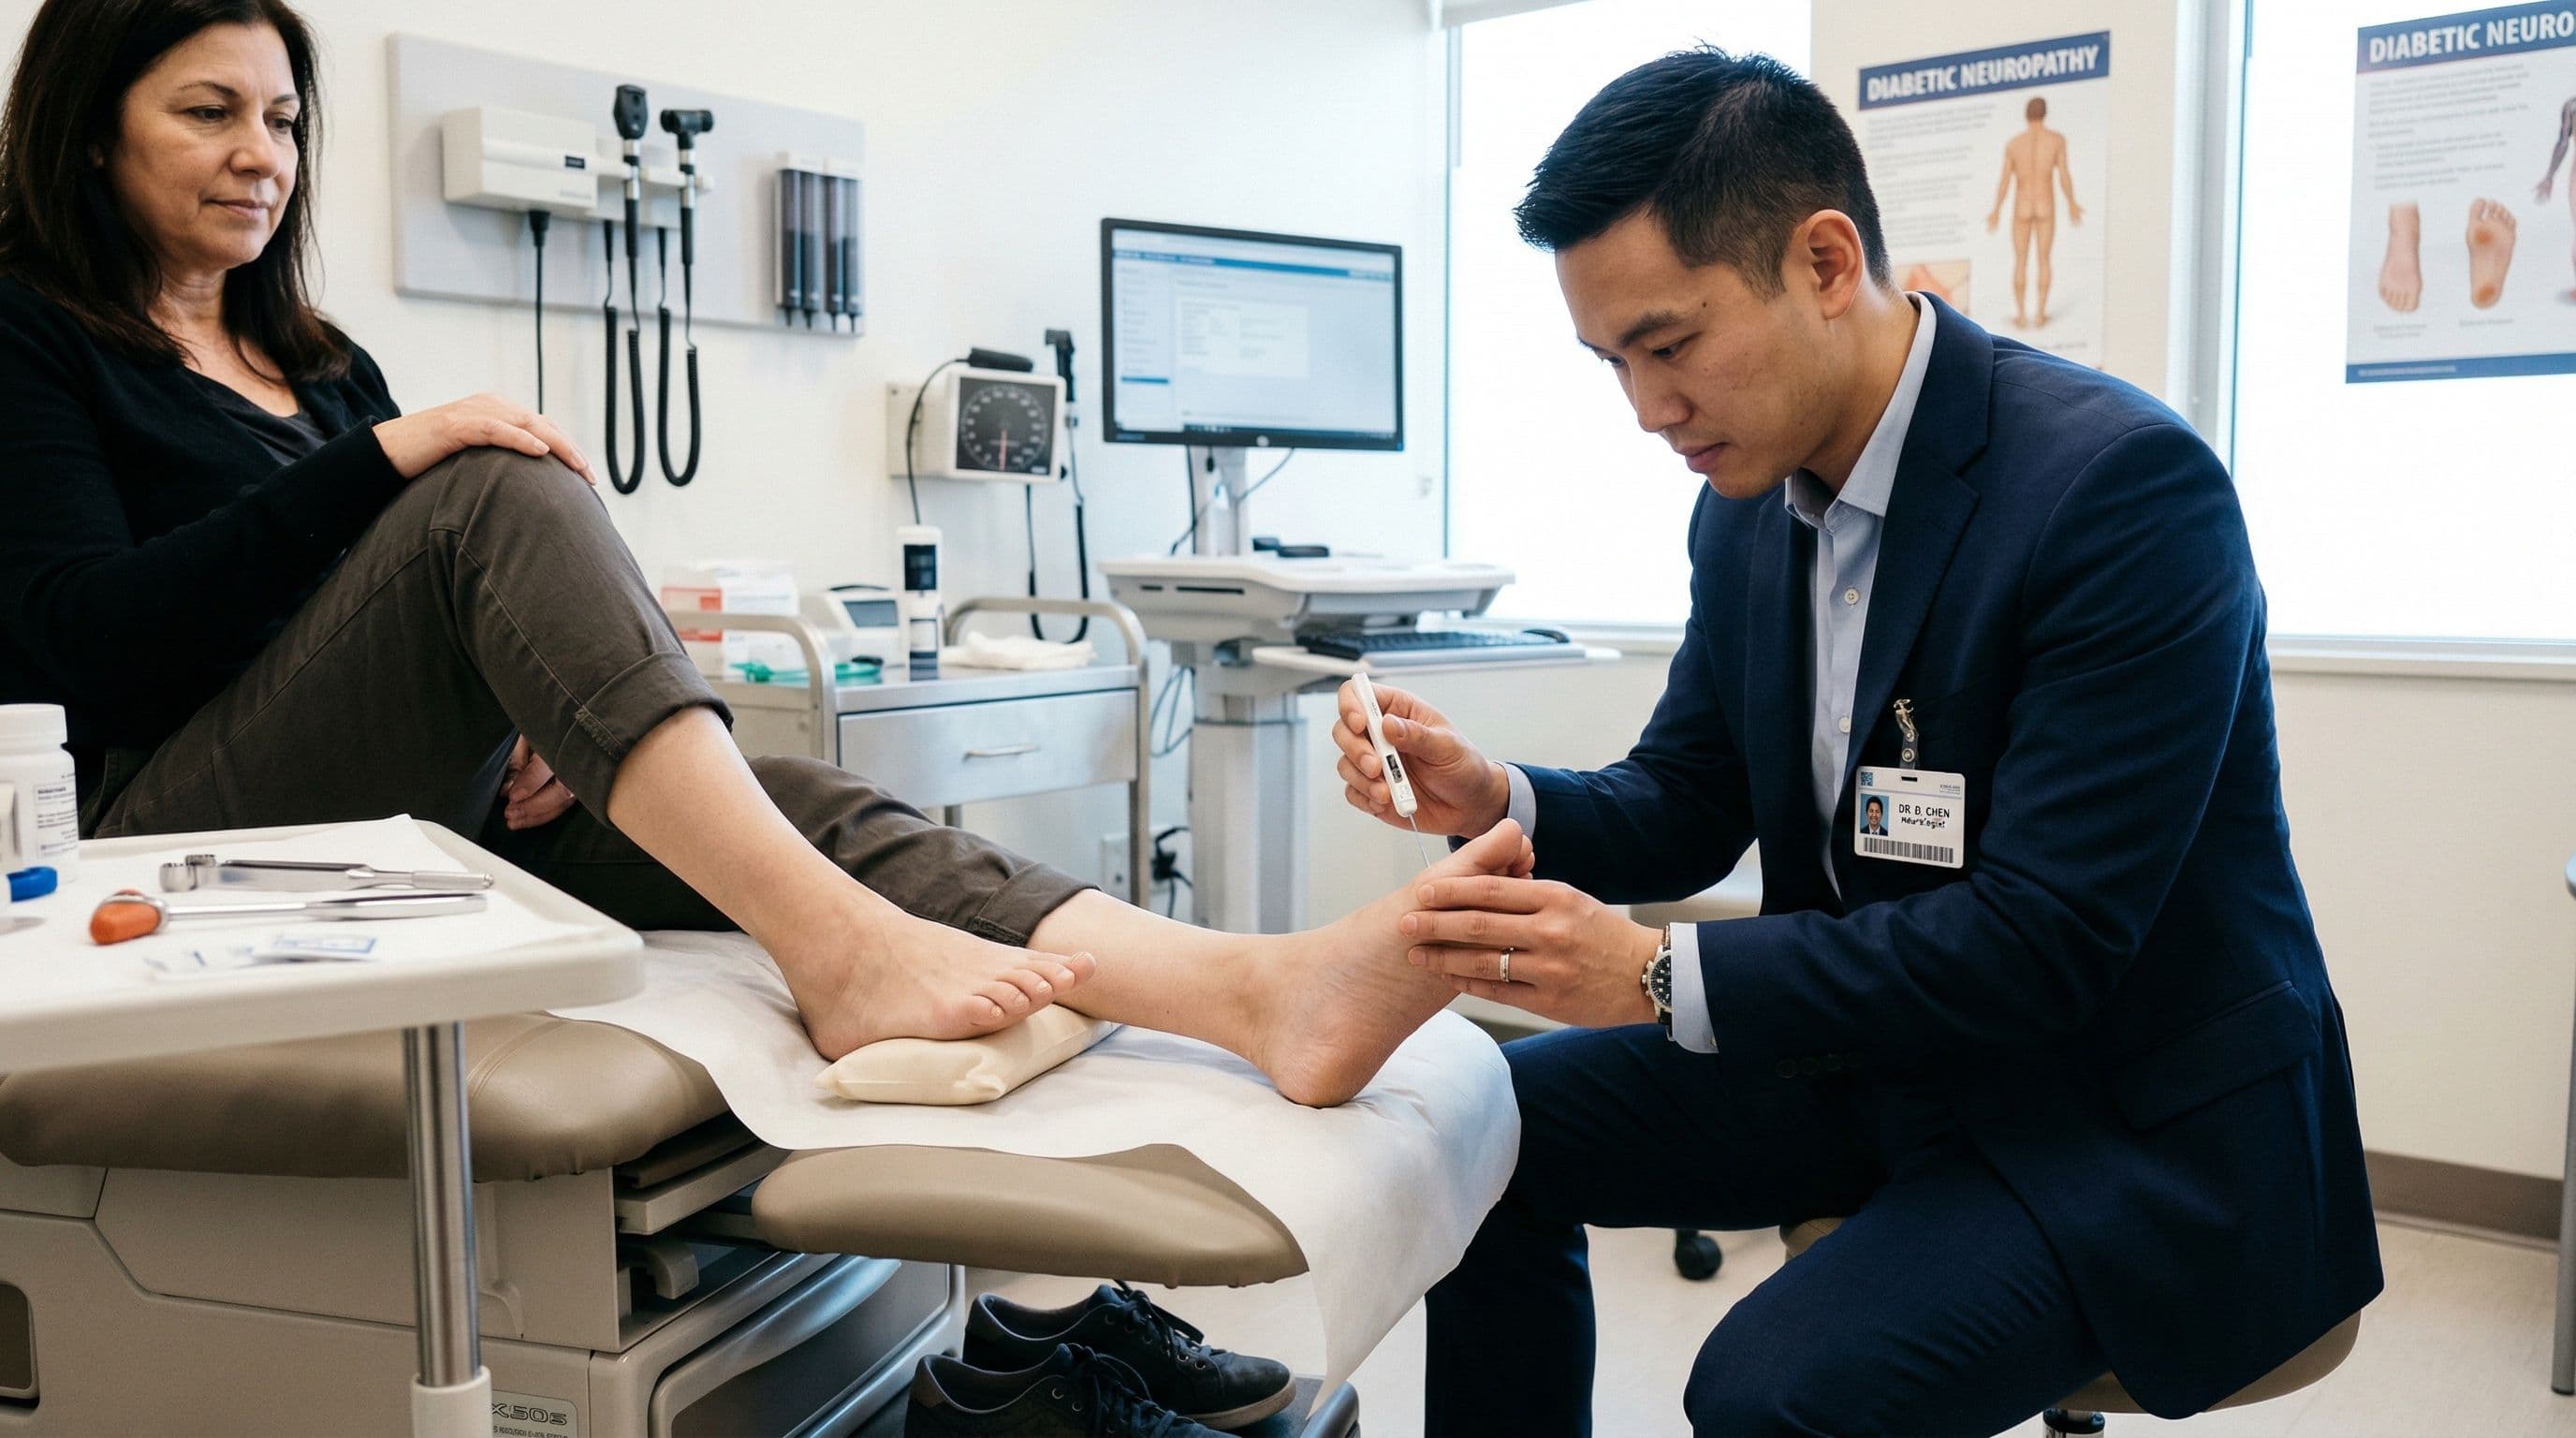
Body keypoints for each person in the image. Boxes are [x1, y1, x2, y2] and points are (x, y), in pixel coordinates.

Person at [0, 0, 1522, 1116]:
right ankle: (843, 955)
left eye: (282, 120)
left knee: (802, 806)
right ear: (88, 131)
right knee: (492, 484)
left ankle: (1254, 992)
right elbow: (84, 644)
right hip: (161, 850)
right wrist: (385, 460)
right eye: (209, 112)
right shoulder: (32, 335)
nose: (261, 154)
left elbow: (364, 629)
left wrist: (527, 724)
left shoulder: (318, 363)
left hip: (397, 817)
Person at [1334, 50, 2378, 1435]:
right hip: (1877, 1057)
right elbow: (1692, 797)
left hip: (2112, 1115)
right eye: (1613, 364)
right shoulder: (1745, 508)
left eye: (1670, 345)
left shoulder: (2119, 490)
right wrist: (1493, 793)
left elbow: (2044, 942)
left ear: (1825, 262)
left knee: (1770, 1393)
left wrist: (1652, 975)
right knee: (1470, 1134)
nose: (1647, 410)